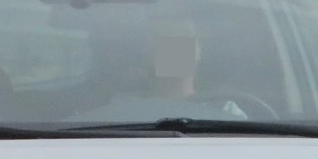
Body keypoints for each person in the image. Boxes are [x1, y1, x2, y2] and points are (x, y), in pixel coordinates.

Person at [76, 12, 245, 122]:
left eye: (184, 36)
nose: (175, 45)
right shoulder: (122, 108)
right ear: (147, 54)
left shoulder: (226, 111)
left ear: (200, 50)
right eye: (164, 37)